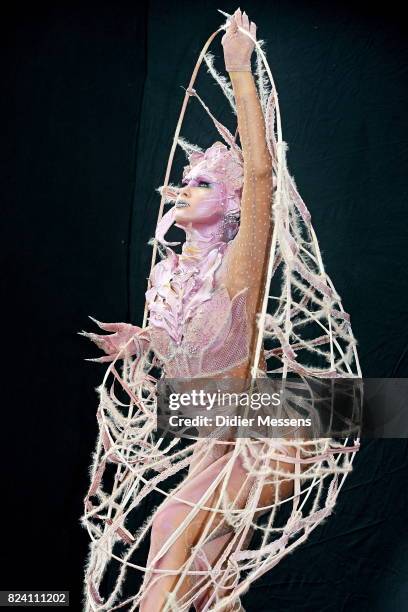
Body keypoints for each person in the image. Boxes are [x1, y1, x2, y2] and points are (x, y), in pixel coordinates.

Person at [80, 9, 361, 611]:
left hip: (287, 418)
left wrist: (239, 71)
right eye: (183, 178)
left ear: (232, 204)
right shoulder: (167, 274)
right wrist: (143, 342)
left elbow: (261, 172)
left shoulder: (239, 260)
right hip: (221, 426)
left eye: (202, 183)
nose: (183, 186)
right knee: (206, 578)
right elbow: (193, 352)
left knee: (171, 527)